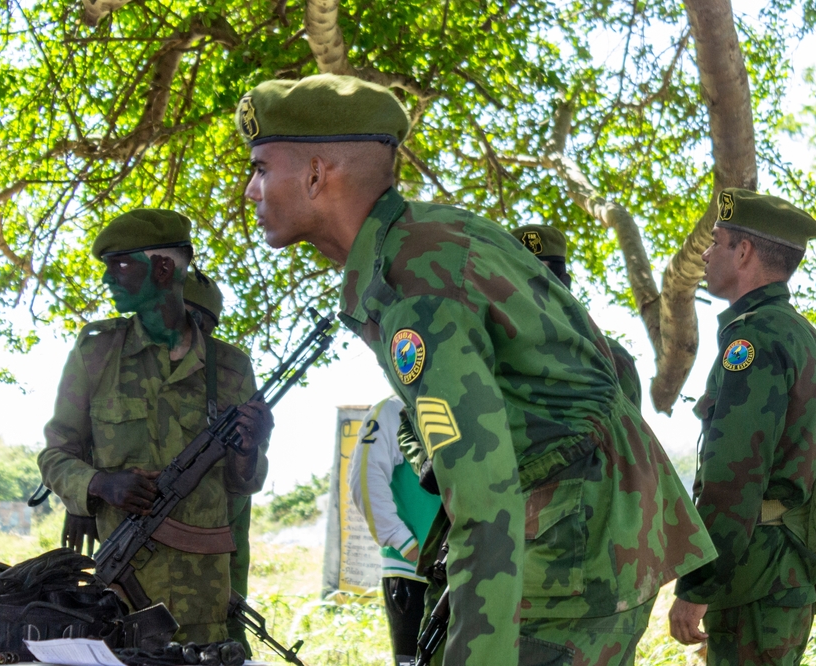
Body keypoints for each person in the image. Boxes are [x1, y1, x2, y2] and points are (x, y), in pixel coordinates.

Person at [236, 73, 716, 666]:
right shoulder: (428, 240)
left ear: (315, 175)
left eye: (260, 168)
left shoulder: (417, 283)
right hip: (589, 534)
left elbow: (484, 500)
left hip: (566, 559)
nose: (251, 190)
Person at [39, 209, 272, 644]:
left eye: (120, 264)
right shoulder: (96, 354)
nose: (108, 278)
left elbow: (244, 485)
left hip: (202, 608)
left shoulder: (231, 368)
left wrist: (249, 446)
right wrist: (100, 485)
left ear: (162, 268)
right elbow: (55, 456)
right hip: (117, 603)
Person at [668, 188, 816, 665]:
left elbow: (733, 478)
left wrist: (697, 585)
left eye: (717, 242)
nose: (707, 254)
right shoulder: (806, 337)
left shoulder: (751, 341)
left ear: (744, 252)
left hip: (755, 576)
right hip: (789, 568)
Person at [181, 266, 263, 657]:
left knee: (221, 643)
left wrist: (251, 444)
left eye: (204, 323)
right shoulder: (129, 363)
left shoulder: (232, 368)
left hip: (220, 539)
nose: (194, 330)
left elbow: (249, 474)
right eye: (184, 316)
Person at [349, 395, 442, 665]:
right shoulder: (392, 408)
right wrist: (408, 546)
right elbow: (364, 482)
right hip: (412, 574)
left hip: (465, 570)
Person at [511, 224, 642, 408]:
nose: (525, 290)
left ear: (564, 284)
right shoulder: (483, 351)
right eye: (515, 277)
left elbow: (629, 435)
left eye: (537, 280)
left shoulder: (608, 359)